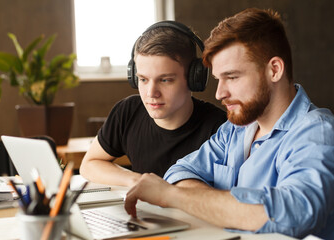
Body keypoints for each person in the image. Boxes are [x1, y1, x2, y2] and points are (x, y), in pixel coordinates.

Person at [124, 8, 334, 240]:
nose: (219, 93)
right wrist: (226, 208)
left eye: (232, 77)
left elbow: (291, 217)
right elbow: (180, 171)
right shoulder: (235, 129)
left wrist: (173, 197)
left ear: (274, 70)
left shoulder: (322, 136)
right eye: (218, 79)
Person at [80, 21, 227, 187]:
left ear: (194, 79)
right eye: (143, 79)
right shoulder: (128, 112)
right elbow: (89, 164)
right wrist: (137, 180)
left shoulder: (221, 130)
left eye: (165, 80)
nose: (151, 93)